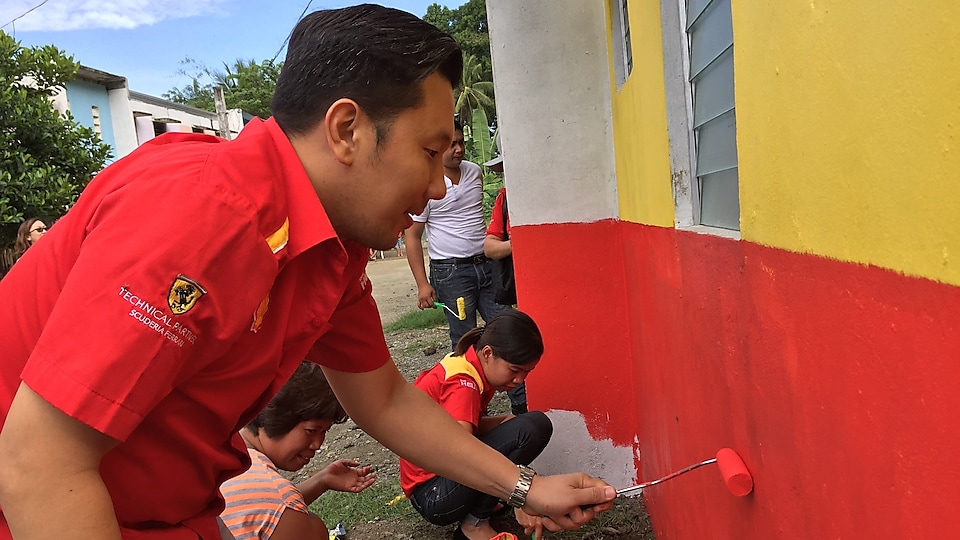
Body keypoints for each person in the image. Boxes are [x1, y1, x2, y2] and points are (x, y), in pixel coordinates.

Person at [0, 5, 614, 539]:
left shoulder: (328, 251)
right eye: (429, 152)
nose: (435, 188)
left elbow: (385, 400)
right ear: (347, 129)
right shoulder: (207, 211)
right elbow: (38, 465)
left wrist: (524, 488)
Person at [403, 121, 527, 415]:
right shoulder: (427, 182)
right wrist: (422, 284)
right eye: (452, 145)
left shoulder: (474, 172)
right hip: (451, 273)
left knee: (505, 331)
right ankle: (467, 412)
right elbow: (412, 235)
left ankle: (523, 406)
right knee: (463, 339)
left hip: (487, 267)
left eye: (461, 143)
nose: (459, 149)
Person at [401, 311, 550, 540]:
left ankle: (482, 506)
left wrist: (504, 423)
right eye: (514, 370)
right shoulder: (464, 383)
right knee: (531, 428)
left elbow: (457, 429)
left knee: (520, 426)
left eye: (526, 372)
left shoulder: (469, 365)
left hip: (432, 485)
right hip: (434, 495)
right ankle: (475, 525)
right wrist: (520, 491)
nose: (520, 380)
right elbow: (461, 451)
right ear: (488, 353)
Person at [220, 361, 375, 540]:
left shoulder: (222, 452)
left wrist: (323, 480)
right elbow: (277, 506)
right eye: (311, 431)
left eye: (324, 431)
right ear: (276, 417)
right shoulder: (276, 501)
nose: (318, 444)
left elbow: (258, 505)